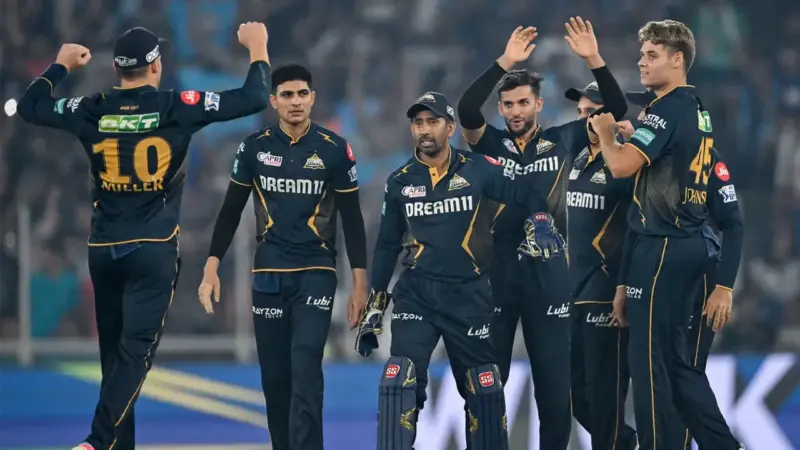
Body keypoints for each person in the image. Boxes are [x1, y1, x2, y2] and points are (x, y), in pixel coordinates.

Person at [15, 23, 270, 450]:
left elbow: (30, 106)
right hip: (153, 249)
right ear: (156, 66)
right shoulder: (177, 106)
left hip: (103, 249)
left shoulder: (91, 108)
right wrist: (258, 46)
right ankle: (97, 442)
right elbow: (255, 97)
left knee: (114, 363)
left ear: (117, 69)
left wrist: (60, 66)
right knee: (134, 357)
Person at [354, 92, 561, 450]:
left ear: (450, 127)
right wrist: (376, 302)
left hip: (469, 296)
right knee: (398, 381)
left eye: (432, 121)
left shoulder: (478, 168)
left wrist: (541, 220)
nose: (424, 129)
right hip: (417, 296)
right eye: (418, 123)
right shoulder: (400, 181)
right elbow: (387, 244)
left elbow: (527, 193)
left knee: (484, 388)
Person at [456, 18, 627, 450]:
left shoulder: (564, 139)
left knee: (554, 392)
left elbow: (615, 108)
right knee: (487, 385)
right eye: (508, 104)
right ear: (500, 109)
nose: (515, 111)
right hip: (497, 278)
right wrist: (504, 62)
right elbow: (466, 111)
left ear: (538, 104)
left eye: (523, 103)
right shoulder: (489, 144)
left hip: (550, 279)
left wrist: (593, 58)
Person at [588, 19, 744, 450]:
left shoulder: (667, 108)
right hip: (683, 247)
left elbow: (621, 167)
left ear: (678, 60)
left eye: (652, 55)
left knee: (649, 367)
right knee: (677, 366)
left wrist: (606, 136)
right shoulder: (696, 111)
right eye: (642, 54)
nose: (642, 61)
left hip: (663, 250)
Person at [197, 64, 368, 450]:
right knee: (275, 379)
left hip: (316, 273)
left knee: (306, 366)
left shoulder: (335, 149)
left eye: (302, 94)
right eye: (287, 95)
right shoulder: (253, 148)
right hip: (268, 274)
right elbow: (230, 210)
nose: (295, 102)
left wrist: (360, 284)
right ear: (273, 101)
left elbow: (353, 218)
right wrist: (211, 266)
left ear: (313, 98)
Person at [623, 90, 745, 450]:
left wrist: (724, 287)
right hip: (663, 268)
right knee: (671, 369)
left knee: (681, 368)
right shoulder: (648, 158)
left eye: (649, 111)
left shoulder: (705, 158)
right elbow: (637, 225)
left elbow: (733, 223)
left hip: (696, 274)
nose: (644, 118)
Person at [564, 82, 638, 450]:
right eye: (580, 113)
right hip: (572, 292)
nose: (585, 120)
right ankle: (627, 443)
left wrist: (623, 286)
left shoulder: (626, 163)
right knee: (572, 394)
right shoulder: (577, 159)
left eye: (592, 112)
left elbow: (635, 231)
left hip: (606, 293)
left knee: (605, 396)